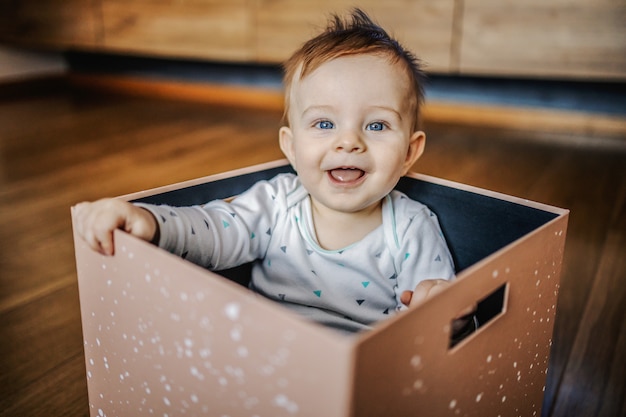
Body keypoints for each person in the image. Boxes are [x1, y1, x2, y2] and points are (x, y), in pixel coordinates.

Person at [75, 9, 474, 337]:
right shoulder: (278, 203)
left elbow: (441, 313)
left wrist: (446, 310)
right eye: (323, 124)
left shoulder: (411, 227)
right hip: (263, 357)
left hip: (361, 375)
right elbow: (212, 231)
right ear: (291, 146)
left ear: (409, 153)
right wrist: (151, 222)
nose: (348, 142)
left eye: (375, 126)